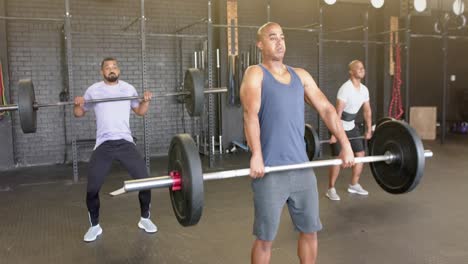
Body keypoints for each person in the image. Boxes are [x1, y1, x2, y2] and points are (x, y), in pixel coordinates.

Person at [240, 22, 355, 264]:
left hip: (302, 169)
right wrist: (256, 154)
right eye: (273, 37)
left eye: (282, 36)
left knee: (310, 231)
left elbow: (326, 109)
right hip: (270, 171)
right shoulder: (256, 73)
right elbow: (250, 114)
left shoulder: (300, 76)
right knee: (265, 238)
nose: (280, 41)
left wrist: (345, 144)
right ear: (260, 44)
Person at [74, 57, 157, 242]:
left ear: (118, 70)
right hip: (104, 144)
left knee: (145, 181)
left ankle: (145, 219)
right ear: (102, 72)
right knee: (92, 188)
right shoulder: (93, 90)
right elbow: (79, 114)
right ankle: (95, 226)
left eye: (114, 67)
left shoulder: (128, 89)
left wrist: (147, 101)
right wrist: (78, 104)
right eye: (107, 67)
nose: (111, 70)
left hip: (125, 142)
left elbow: (140, 112)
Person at [325, 60, 373, 201]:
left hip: (351, 126)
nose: (361, 70)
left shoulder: (364, 90)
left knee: (361, 155)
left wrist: (369, 129)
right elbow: (337, 113)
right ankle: (331, 188)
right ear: (351, 72)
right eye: (358, 68)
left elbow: (367, 111)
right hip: (339, 126)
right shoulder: (345, 88)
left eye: (363, 68)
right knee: (339, 159)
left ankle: (354, 184)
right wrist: (334, 134)